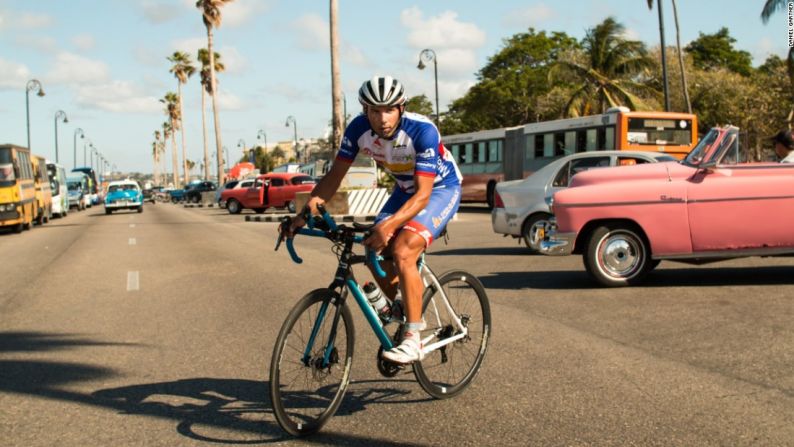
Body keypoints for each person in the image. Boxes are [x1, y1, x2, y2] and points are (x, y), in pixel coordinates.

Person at [285, 75, 462, 364]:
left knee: (403, 250)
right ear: (365, 110)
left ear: (401, 108)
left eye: (389, 109)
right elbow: (334, 178)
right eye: (375, 111)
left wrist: (390, 225)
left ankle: (413, 337)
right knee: (373, 249)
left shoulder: (422, 131)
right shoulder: (357, 130)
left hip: (439, 190)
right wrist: (303, 216)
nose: (382, 118)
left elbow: (422, 196)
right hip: (404, 190)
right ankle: (403, 306)